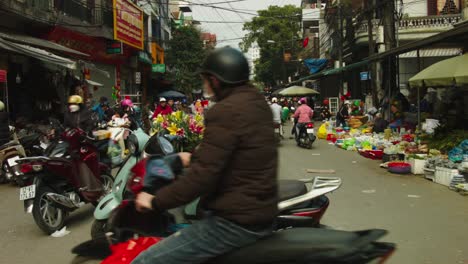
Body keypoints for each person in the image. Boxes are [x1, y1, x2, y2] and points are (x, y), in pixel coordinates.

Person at [132, 47, 277, 264]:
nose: (205, 85)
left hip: (234, 222)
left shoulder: (226, 110)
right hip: (259, 213)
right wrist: (192, 156)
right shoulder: (256, 102)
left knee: (144, 261)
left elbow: (201, 178)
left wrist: (155, 200)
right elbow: (235, 150)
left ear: (216, 80)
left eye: (206, 79)